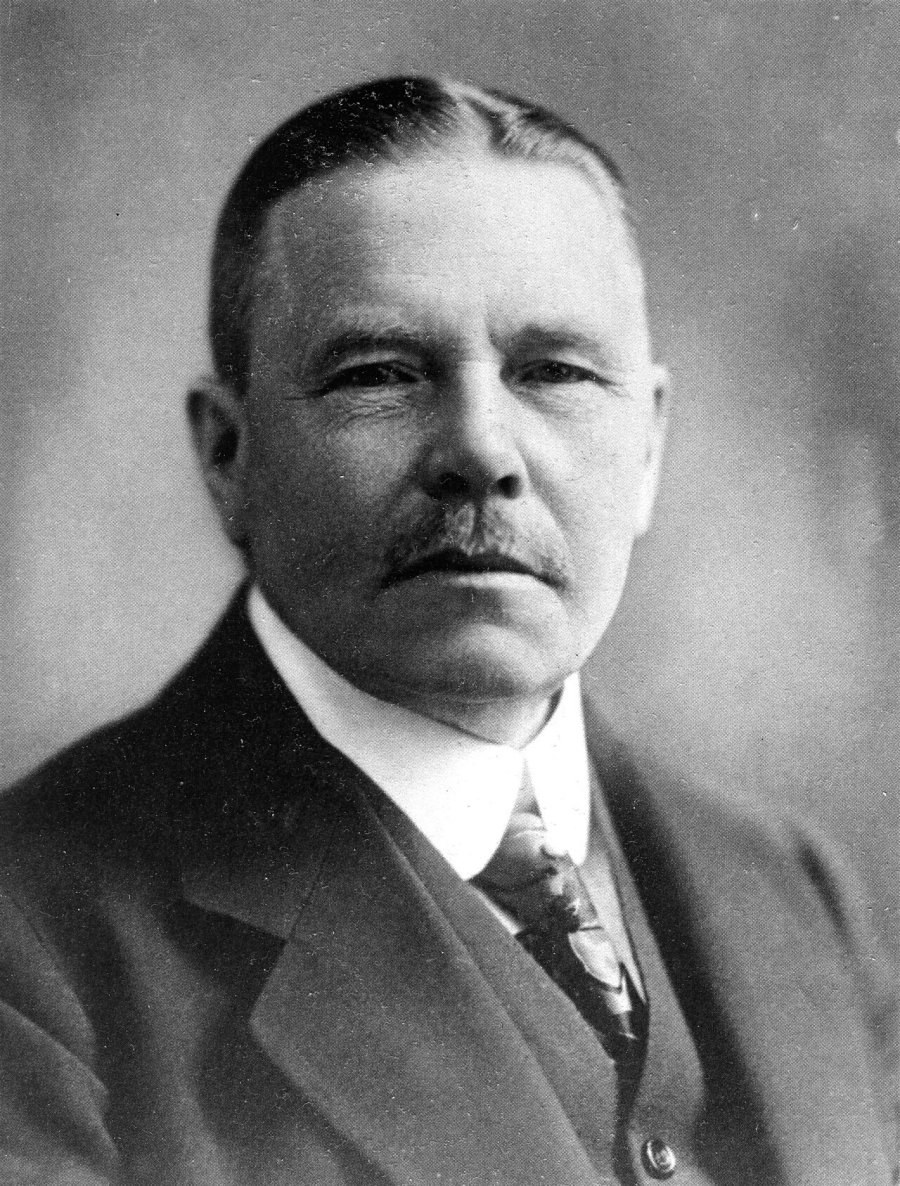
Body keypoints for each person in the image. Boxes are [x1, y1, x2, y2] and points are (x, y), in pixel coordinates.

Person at [0, 76, 894, 1186]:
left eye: (554, 372)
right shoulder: (36, 949)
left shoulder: (799, 897)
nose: (482, 448)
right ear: (228, 455)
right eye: (380, 374)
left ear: (649, 447)